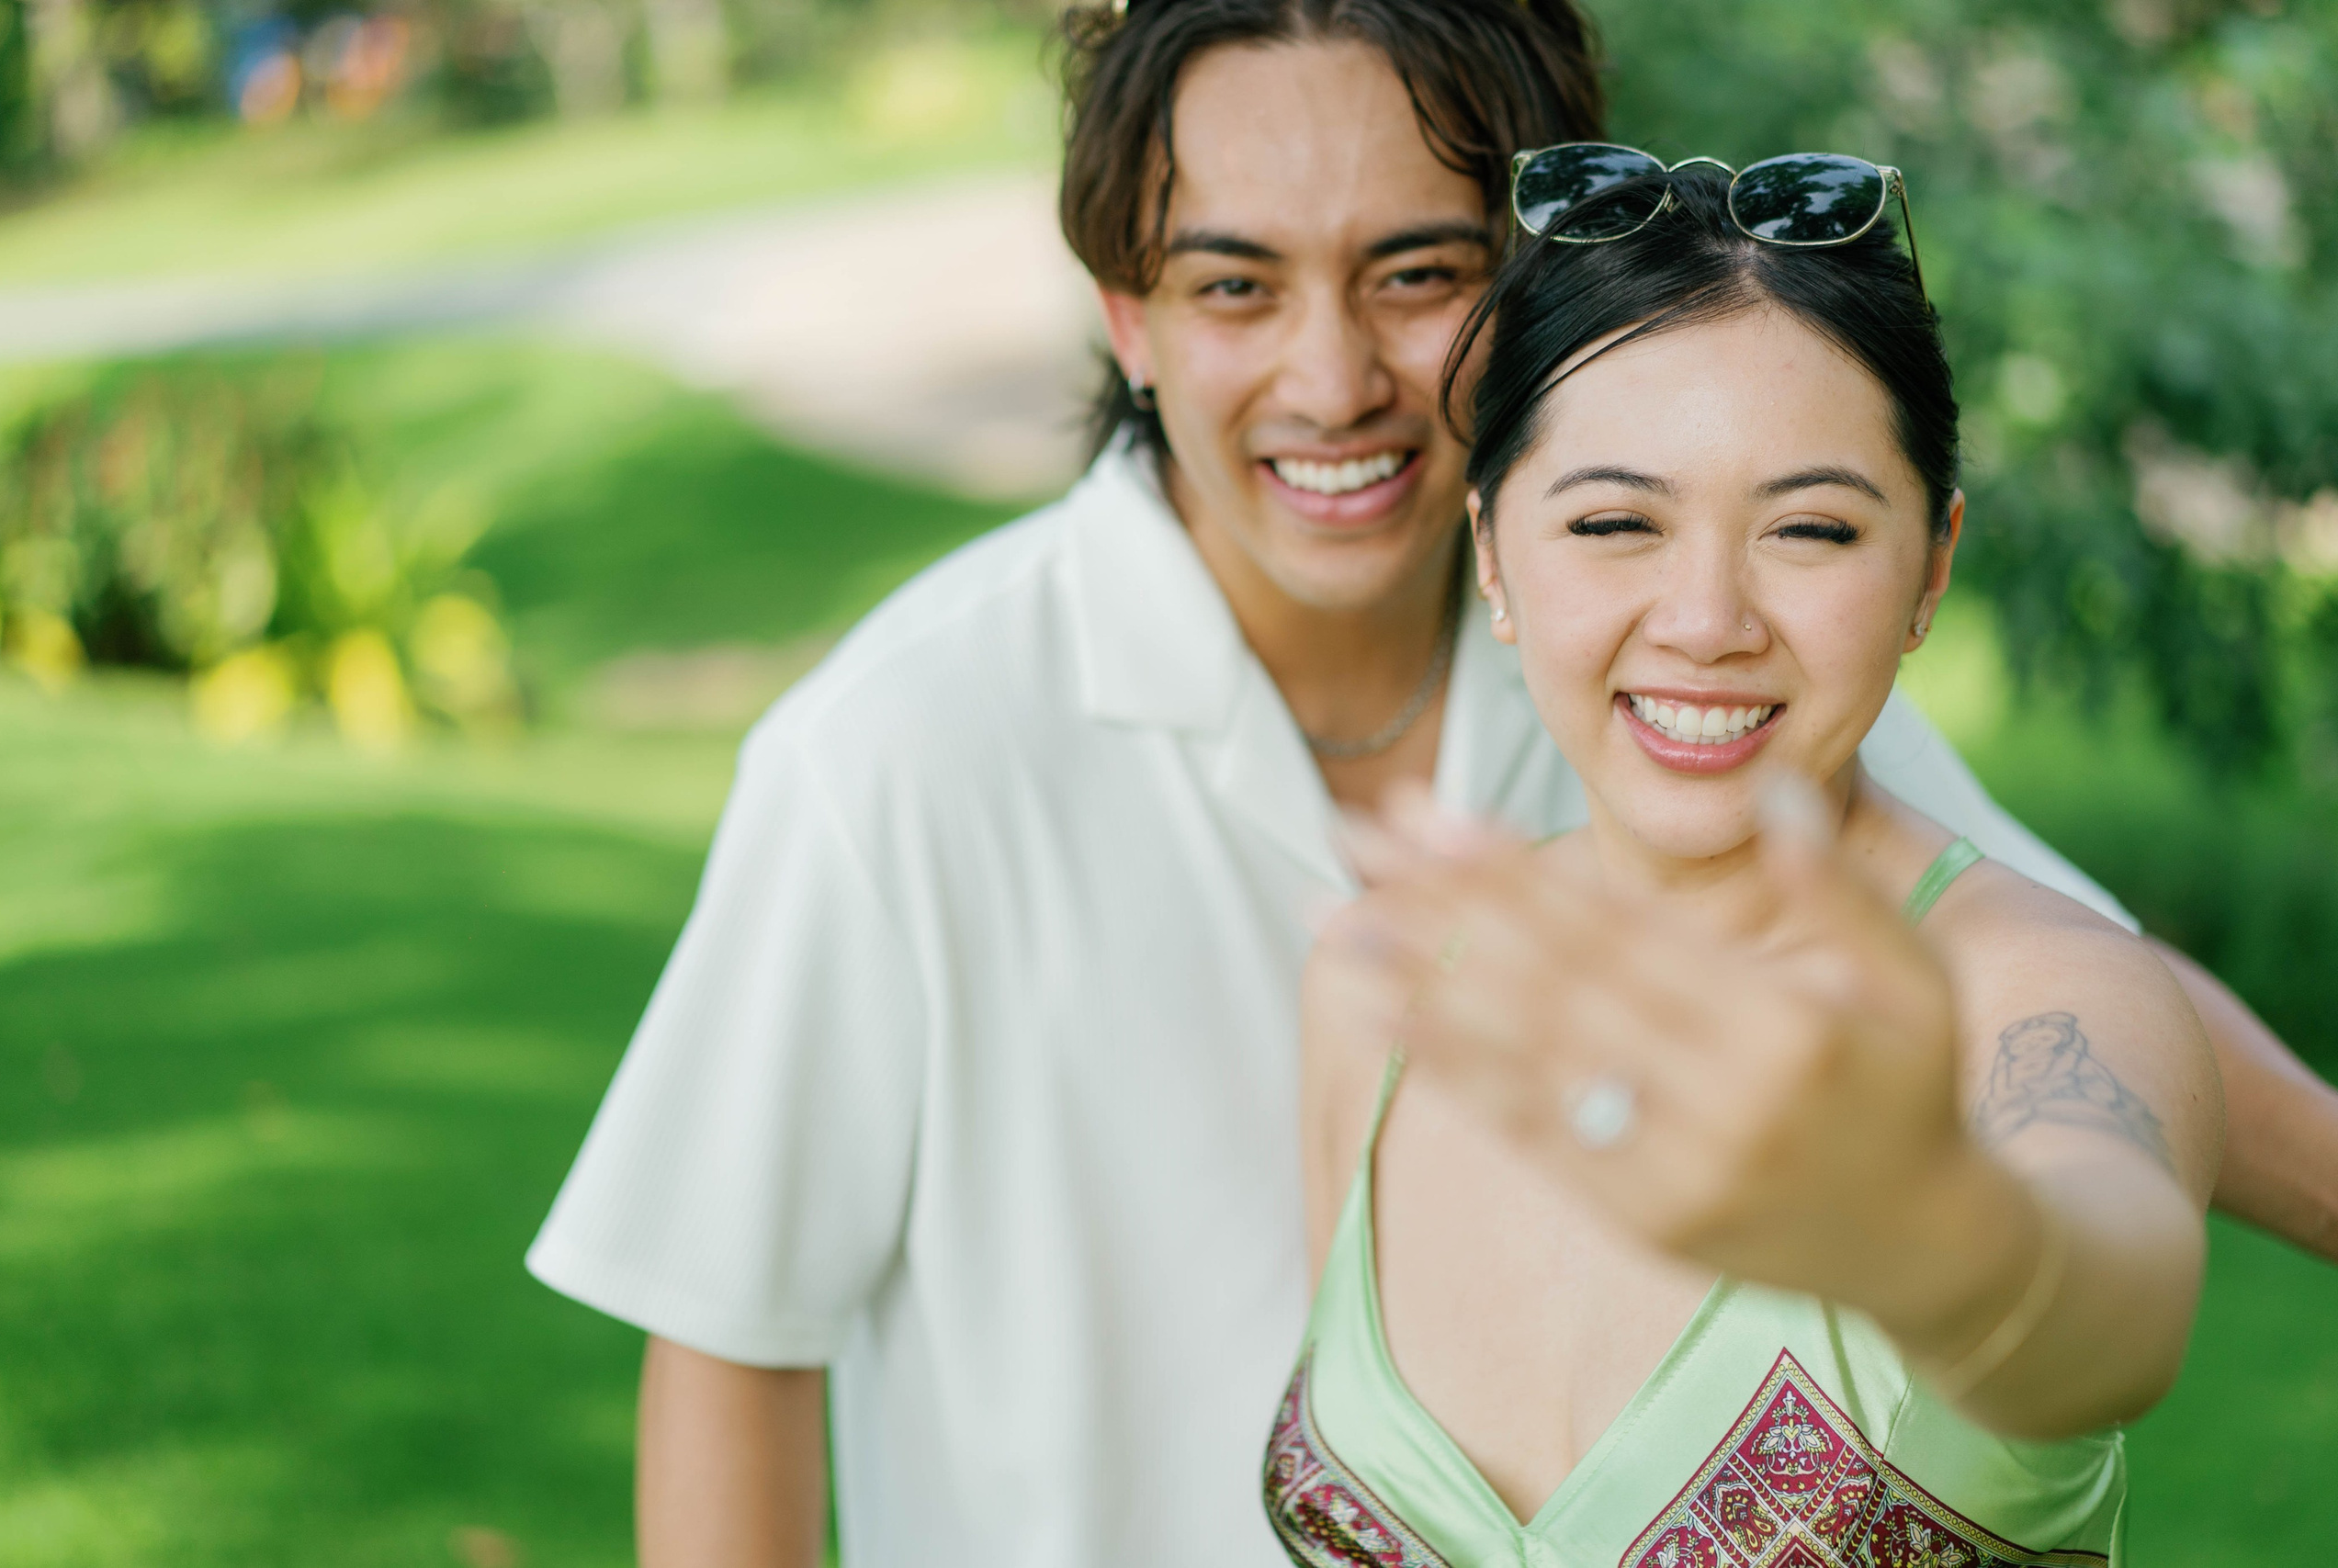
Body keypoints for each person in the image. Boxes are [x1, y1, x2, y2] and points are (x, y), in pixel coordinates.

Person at [524, 3, 2338, 1563]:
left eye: (1415, 273)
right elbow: (725, 1332)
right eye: (1235, 283)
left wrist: (1957, 1240)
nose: (1333, 377)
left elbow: (2066, 1013)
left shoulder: (1685, 667)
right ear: (1129, 316)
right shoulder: (896, 752)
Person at [1271, 152, 2217, 1568]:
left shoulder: (2053, 995)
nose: (1706, 619)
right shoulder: (1383, 985)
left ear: (1931, 566)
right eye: (1612, 523)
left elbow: (2111, 1305)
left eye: (1812, 528)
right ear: (1493, 555)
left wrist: (1940, 1239)